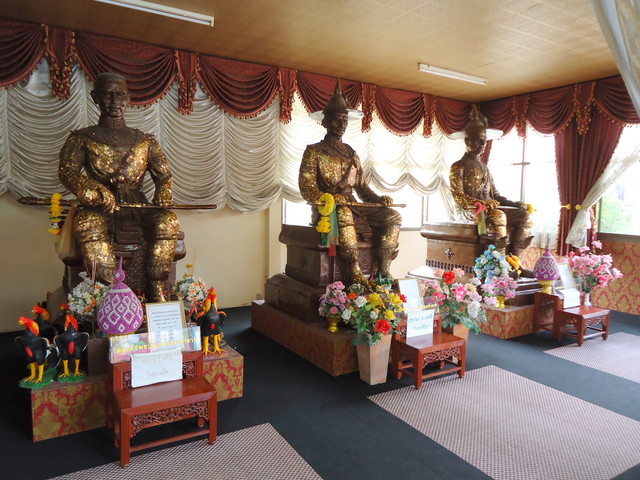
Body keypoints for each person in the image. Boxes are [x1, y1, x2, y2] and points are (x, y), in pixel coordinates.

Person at [58, 72, 179, 302]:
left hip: (137, 205)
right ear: (96, 97)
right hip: (100, 206)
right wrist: (91, 187)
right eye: (107, 95)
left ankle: (157, 286)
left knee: (168, 221)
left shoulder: (145, 141)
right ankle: (107, 293)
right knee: (87, 223)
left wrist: (164, 191)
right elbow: (67, 172)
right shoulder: (82, 138)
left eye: (120, 95)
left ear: (128, 98)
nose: (114, 102)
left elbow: (164, 175)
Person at [298, 81, 401, 286]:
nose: (341, 124)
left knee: (392, 216)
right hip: (328, 208)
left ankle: (383, 271)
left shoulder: (351, 153)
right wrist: (327, 198)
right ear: (325, 122)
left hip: (353, 203)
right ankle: (355, 271)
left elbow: (362, 188)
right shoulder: (314, 151)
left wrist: (380, 199)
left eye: (345, 120)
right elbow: (307, 186)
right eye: (337, 120)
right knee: (343, 212)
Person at [449, 106, 533, 262]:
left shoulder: (484, 167)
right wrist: (480, 203)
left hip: (490, 208)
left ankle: (514, 262)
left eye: (484, 140)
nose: (482, 143)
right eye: (478, 139)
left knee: (525, 216)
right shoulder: (458, 166)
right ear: (467, 141)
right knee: (498, 216)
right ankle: (498, 265)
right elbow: (458, 196)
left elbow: (495, 195)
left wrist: (514, 204)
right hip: (470, 210)